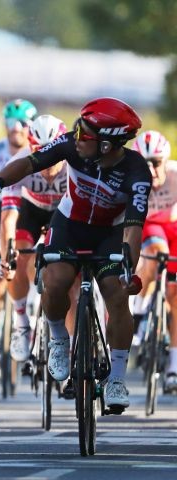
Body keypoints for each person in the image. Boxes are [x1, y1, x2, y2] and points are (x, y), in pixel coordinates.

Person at [0, 97, 150, 412]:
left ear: (108, 145)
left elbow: (134, 228)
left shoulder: (137, 170)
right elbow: (30, 162)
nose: (76, 136)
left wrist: (128, 269)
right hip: (69, 224)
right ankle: (58, 338)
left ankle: (118, 378)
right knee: (54, 280)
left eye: (85, 133)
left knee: (115, 292)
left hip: (112, 231)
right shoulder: (73, 144)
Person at [0, 115, 68, 361]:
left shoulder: (76, 164)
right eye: (40, 153)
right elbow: (7, 219)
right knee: (18, 255)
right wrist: (7, 257)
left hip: (62, 211)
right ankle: (21, 322)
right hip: (30, 210)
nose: (47, 162)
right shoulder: (19, 162)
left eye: (54, 153)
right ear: (30, 149)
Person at [0, 99, 37, 381]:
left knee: (33, 265)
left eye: (22, 124)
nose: (16, 130)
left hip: (32, 208)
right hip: (3, 204)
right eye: (11, 125)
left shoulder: (39, 149)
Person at [129, 130, 177, 393]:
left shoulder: (175, 174)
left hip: (175, 228)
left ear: (165, 160)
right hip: (151, 229)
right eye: (144, 162)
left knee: (175, 294)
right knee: (154, 254)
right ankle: (139, 309)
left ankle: (173, 367)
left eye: (156, 162)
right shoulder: (133, 180)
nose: (150, 169)